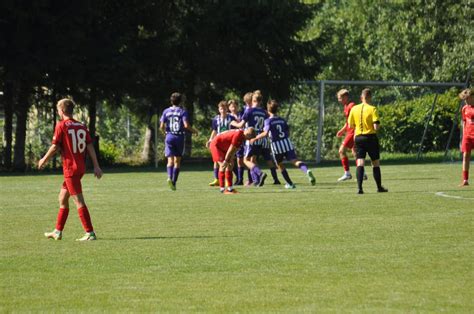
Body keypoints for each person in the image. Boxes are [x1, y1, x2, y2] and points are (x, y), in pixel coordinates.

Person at [38, 98, 103, 241]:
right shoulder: (81, 126)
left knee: (78, 201)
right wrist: (96, 166)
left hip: (70, 168)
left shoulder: (61, 125)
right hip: (80, 167)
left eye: (57, 110)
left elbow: (55, 146)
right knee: (62, 198)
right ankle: (57, 231)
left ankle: (90, 232)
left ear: (61, 111)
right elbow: (90, 146)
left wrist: (44, 159)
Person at [251, 100, 316, 188]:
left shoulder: (268, 121)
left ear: (268, 110)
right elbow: (288, 132)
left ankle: (290, 184)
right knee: (295, 161)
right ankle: (307, 170)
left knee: (280, 165)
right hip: (287, 142)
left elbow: (265, 133)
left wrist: (255, 138)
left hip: (276, 146)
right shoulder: (282, 120)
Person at [232, 90, 280, 186]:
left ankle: (259, 174)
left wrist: (233, 123)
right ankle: (260, 180)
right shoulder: (264, 112)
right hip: (262, 138)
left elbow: (241, 124)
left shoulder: (249, 111)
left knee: (246, 160)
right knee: (255, 160)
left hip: (252, 138)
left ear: (252, 100)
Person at [348, 88, 388, 194]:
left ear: (361, 97)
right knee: (375, 163)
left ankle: (359, 188)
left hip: (358, 138)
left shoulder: (354, 109)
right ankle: (379, 187)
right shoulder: (372, 109)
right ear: (370, 97)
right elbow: (376, 127)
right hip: (370, 138)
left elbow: (350, 125)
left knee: (360, 162)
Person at [160, 92, 199, 190]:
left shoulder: (166, 111)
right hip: (179, 137)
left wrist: (165, 132)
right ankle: (173, 182)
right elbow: (186, 125)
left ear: (171, 101)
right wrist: (194, 131)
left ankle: (169, 177)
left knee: (170, 161)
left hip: (169, 136)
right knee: (177, 161)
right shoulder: (182, 111)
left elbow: (161, 126)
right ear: (181, 101)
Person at [209, 128, 256, 194]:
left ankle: (230, 189)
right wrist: (226, 160)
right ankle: (222, 189)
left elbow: (235, 149)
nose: (249, 140)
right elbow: (231, 148)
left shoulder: (242, 136)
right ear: (247, 134)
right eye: (249, 138)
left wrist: (230, 158)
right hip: (216, 145)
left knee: (231, 164)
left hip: (223, 146)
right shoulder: (238, 135)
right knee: (223, 165)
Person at [207, 101, 236, 186]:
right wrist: (210, 140)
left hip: (228, 143)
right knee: (216, 161)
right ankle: (217, 179)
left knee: (229, 161)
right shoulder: (216, 119)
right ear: (218, 109)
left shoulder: (231, 118)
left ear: (227, 109)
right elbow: (215, 130)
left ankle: (227, 179)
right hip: (218, 143)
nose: (223, 110)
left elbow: (235, 130)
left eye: (224, 108)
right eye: (221, 108)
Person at [335, 89, 357, 181]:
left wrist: (356, 132)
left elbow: (355, 120)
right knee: (355, 152)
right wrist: (342, 130)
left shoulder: (352, 106)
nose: (339, 100)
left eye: (340, 98)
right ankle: (362, 172)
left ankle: (347, 173)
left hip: (353, 132)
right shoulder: (346, 106)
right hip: (349, 131)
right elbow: (348, 122)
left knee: (341, 151)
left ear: (345, 97)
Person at [228, 99, 245, 185]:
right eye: (231, 106)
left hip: (239, 139)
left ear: (238, 107)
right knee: (231, 159)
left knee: (240, 160)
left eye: (235, 106)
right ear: (229, 107)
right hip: (231, 140)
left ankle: (240, 179)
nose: (233, 108)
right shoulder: (228, 117)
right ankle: (238, 177)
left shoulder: (241, 115)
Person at [459, 88, 473, 186]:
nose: (466, 101)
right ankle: (465, 180)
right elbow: (464, 121)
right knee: (465, 156)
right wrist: (463, 136)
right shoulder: (465, 108)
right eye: (464, 99)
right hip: (467, 136)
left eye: (467, 98)